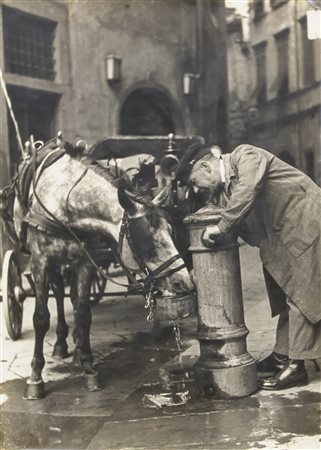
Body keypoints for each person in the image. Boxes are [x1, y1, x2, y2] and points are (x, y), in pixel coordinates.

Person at [175, 143, 321, 390]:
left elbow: (249, 187)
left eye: (193, 182)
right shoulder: (223, 191)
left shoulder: (245, 155)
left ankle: (297, 366)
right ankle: (281, 356)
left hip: (307, 224)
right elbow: (246, 227)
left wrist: (222, 226)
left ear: (204, 166)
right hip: (282, 235)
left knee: (300, 296)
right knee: (285, 296)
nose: (196, 188)